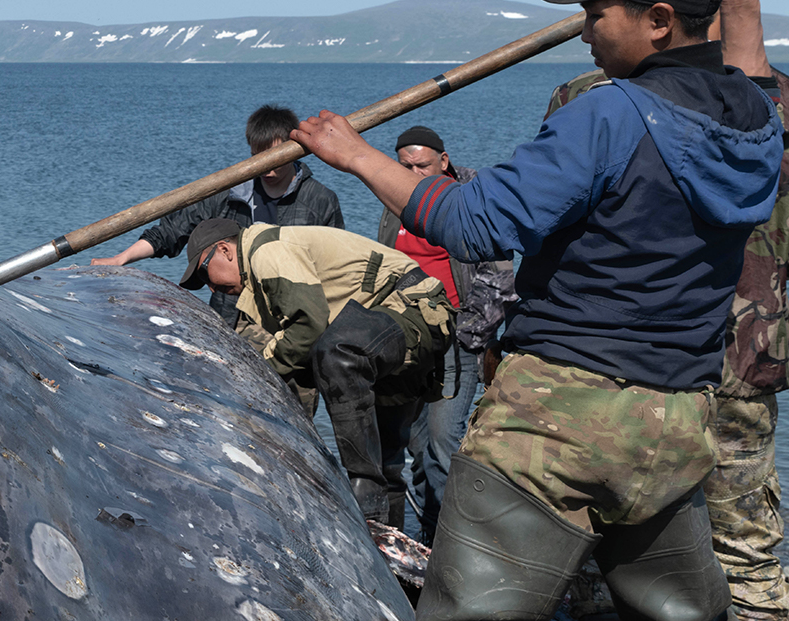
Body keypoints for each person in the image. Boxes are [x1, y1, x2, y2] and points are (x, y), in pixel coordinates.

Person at [294, 0, 783, 621]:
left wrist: (356, 155)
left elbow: (473, 221)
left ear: (658, 19)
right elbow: (743, 77)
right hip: (674, 423)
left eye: (596, 13)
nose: (584, 32)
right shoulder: (757, 123)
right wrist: (741, 1)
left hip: (556, 424)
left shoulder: (609, 114)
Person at [541, 0, 789, 621]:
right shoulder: (784, 110)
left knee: (590, 566)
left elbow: (542, 238)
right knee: (742, 566)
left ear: (659, 16)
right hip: (732, 371)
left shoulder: (590, 96)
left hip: (600, 371)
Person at [178, 218, 453, 526]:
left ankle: (364, 498)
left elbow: (308, 327)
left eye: (205, 273)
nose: (211, 287)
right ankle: (388, 550)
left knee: (334, 354)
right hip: (380, 332)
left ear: (225, 250)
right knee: (387, 463)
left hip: (412, 311)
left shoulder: (266, 251)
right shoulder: (258, 267)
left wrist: (259, 372)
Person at [375, 125, 515, 543]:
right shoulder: (396, 204)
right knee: (414, 446)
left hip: (458, 338)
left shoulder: (473, 204)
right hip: (408, 338)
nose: (414, 174)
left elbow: (499, 281)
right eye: (406, 166)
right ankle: (426, 537)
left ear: (444, 161)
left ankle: (461, 540)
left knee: (442, 442)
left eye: (422, 165)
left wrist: (469, 338)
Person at [91, 105, 344, 327]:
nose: (266, 165)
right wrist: (122, 258)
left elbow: (334, 268)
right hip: (231, 316)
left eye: (274, 156)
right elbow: (171, 232)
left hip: (292, 317)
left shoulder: (320, 200)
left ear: (293, 150)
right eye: (258, 156)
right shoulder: (229, 192)